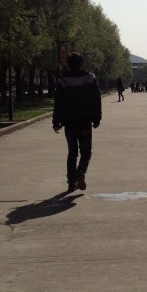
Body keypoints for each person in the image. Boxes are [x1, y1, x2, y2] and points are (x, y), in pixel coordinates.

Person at [53, 52, 102, 192]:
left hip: (69, 123)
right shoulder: (90, 78)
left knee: (72, 153)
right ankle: (80, 171)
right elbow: (96, 100)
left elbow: (58, 103)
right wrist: (97, 119)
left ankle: (71, 183)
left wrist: (56, 122)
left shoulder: (62, 81)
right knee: (86, 151)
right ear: (82, 63)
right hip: (85, 122)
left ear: (68, 64)